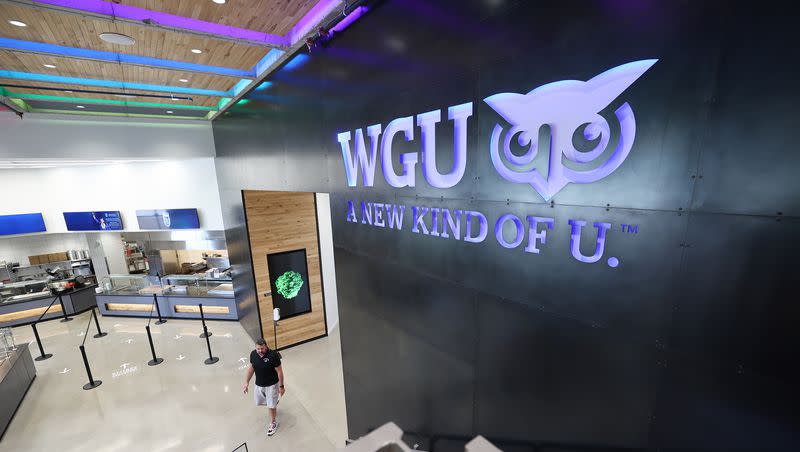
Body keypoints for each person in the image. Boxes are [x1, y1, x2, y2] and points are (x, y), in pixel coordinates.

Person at [243, 338, 285, 436]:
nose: (260, 351)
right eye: (258, 349)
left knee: (271, 406)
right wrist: (246, 382)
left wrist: (281, 386)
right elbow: (251, 368)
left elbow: (279, 371)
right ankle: (273, 401)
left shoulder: (273, 356)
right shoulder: (253, 354)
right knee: (259, 402)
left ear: (266, 346)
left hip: (272, 385)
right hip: (259, 384)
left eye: (262, 348)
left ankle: (273, 422)